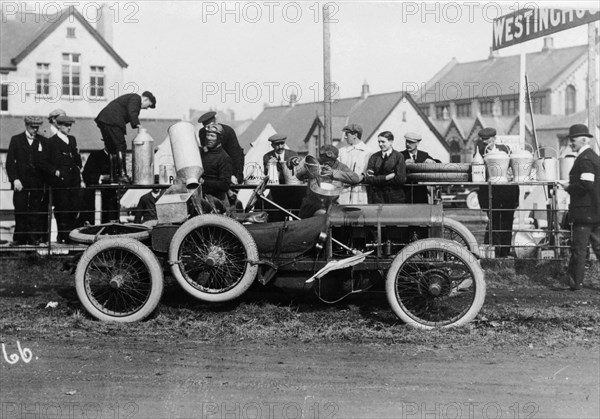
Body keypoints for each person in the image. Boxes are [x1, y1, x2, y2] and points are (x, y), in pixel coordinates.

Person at [561, 124, 600, 291]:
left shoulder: (584, 159)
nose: (571, 143)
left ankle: (575, 283)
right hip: (596, 211)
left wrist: (568, 187)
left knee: (579, 250)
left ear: (584, 139)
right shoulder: (593, 156)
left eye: (573, 140)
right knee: (599, 248)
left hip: (584, 213)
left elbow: (586, 184)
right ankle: (575, 282)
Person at [475, 127, 520, 258]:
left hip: (507, 193)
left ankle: (505, 252)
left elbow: (515, 169)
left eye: (487, 139)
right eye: (482, 139)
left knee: (507, 222)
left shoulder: (506, 150)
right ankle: (494, 253)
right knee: (494, 223)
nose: (484, 142)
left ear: (494, 138)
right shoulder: (479, 153)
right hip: (491, 194)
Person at [95, 91, 156, 183]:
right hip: (113, 121)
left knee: (112, 148)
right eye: (147, 106)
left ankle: (113, 175)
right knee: (121, 146)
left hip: (104, 120)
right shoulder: (136, 98)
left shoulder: (130, 98)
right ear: (145, 99)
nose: (146, 108)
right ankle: (122, 174)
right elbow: (132, 111)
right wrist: (138, 125)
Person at [6, 116, 48, 245]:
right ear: (26, 125)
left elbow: (46, 162)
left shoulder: (43, 141)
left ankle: (33, 239)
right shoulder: (16, 140)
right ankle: (19, 239)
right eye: (32, 127)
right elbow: (9, 163)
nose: (35, 130)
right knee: (20, 208)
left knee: (35, 210)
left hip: (37, 183)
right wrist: (15, 179)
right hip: (20, 182)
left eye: (37, 127)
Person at [296, 145, 361, 218]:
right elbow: (299, 175)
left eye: (327, 162)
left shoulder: (340, 167)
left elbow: (356, 178)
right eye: (322, 160)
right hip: (311, 205)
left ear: (334, 159)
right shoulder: (314, 162)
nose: (324, 164)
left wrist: (334, 173)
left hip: (330, 206)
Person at [46, 115, 83, 244]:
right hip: (61, 181)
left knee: (75, 207)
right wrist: (55, 171)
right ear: (59, 126)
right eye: (66, 125)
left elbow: (77, 158)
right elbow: (46, 162)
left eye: (70, 125)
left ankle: (71, 235)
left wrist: (78, 166)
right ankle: (62, 235)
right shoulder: (51, 142)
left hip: (74, 180)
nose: (69, 128)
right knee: (62, 208)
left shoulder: (72, 140)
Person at [197, 111, 245, 184]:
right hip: (216, 166)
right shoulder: (202, 133)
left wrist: (235, 175)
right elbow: (206, 152)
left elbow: (236, 155)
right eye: (206, 126)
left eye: (211, 124)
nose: (210, 128)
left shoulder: (228, 131)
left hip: (229, 164)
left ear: (215, 121)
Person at [80, 141, 119, 224]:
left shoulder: (117, 157)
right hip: (95, 193)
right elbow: (86, 174)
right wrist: (101, 177)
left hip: (110, 194)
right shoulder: (95, 156)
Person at [364, 131, 407, 204]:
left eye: (383, 142)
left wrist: (377, 180)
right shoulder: (374, 157)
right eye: (379, 142)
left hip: (395, 197)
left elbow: (400, 179)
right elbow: (369, 179)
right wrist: (386, 178)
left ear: (391, 142)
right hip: (377, 198)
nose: (380, 144)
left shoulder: (398, 156)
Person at [201, 123, 234, 211]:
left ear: (219, 138)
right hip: (205, 201)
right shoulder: (203, 154)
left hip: (219, 204)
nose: (209, 138)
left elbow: (225, 185)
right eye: (207, 135)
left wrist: (204, 182)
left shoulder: (224, 158)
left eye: (212, 136)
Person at [400, 131, 440, 203]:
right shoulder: (400, 155)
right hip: (405, 193)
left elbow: (438, 163)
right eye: (406, 141)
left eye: (411, 142)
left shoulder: (423, 155)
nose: (407, 144)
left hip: (421, 194)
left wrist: (432, 161)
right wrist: (403, 164)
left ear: (417, 143)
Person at [338, 123, 370, 205]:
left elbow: (369, 173)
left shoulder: (368, 152)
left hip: (360, 191)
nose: (345, 137)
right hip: (343, 191)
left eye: (346, 134)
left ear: (355, 135)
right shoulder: (342, 152)